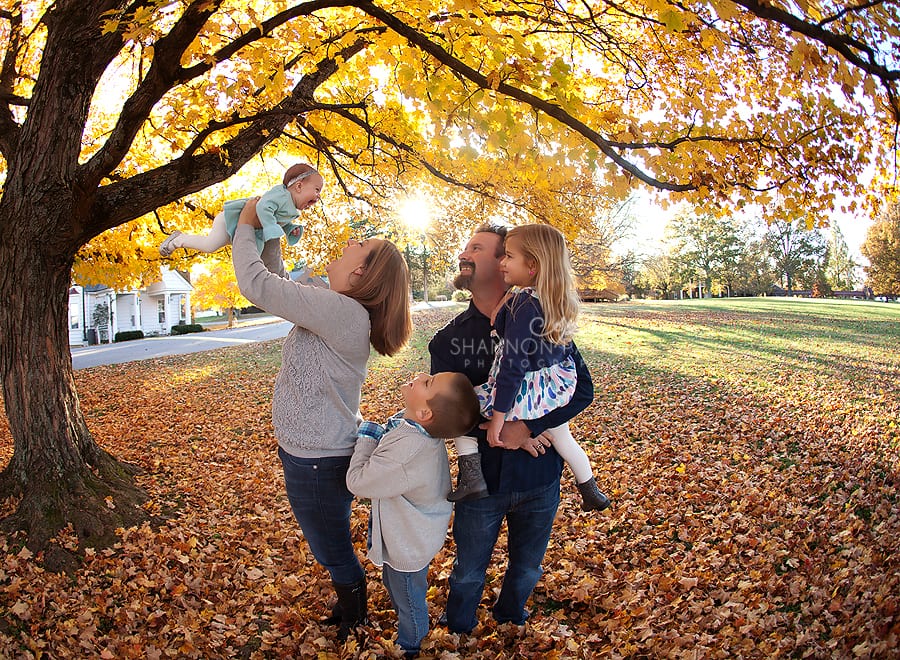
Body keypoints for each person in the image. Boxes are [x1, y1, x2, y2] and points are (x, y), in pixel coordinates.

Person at [232, 198, 412, 642]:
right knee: (327, 538)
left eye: (361, 243)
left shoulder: (343, 312)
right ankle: (350, 599)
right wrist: (269, 228)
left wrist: (245, 225)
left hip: (316, 459)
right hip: (313, 451)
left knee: (328, 544)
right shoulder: (336, 304)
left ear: (361, 274)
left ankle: (354, 610)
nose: (350, 241)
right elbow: (275, 282)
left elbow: (255, 285)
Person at [429, 223, 610, 634]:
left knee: (527, 567)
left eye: (477, 247)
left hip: (539, 478)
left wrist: (526, 425)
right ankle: (458, 629)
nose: (464, 253)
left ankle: (511, 618)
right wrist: (494, 426)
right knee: (468, 571)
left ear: (511, 263)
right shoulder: (448, 340)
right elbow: (443, 412)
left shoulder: (542, 316)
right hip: (483, 483)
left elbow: (580, 390)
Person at [449, 224, 609, 511]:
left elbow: (512, 362)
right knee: (563, 436)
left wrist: (503, 420)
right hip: (552, 388)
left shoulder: (524, 302)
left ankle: (471, 473)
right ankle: (589, 487)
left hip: (521, 393)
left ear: (532, 265)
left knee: (462, 405)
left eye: (508, 256)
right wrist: (503, 313)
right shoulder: (551, 303)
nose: (503, 263)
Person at [346, 372, 481, 658]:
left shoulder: (408, 447)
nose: (420, 375)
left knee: (408, 596)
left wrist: (367, 437)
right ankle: (409, 631)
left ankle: (410, 645)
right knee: (395, 584)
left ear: (424, 412)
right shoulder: (415, 429)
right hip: (412, 533)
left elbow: (358, 482)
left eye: (428, 382)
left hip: (408, 542)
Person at [159, 163, 323, 256]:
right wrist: (271, 227)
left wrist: (289, 229)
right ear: (299, 186)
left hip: (244, 229)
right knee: (210, 245)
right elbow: (264, 207)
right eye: (317, 190)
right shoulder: (281, 195)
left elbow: (278, 219)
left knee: (249, 255)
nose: (318, 196)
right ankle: (178, 240)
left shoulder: (292, 208)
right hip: (230, 220)